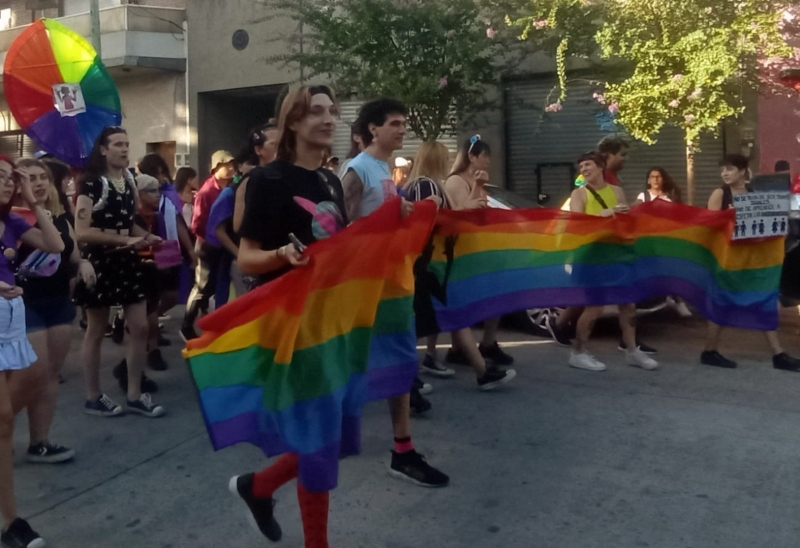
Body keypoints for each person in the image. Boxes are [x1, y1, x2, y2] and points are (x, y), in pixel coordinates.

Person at [231, 85, 348, 548]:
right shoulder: (269, 180)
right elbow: (246, 258)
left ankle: (257, 487)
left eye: (332, 111)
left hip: (331, 319)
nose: (328, 119)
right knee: (319, 438)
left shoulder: (330, 182)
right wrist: (282, 254)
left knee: (326, 434)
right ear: (294, 122)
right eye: (316, 111)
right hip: (289, 322)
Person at [342, 98, 449, 486]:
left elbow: (382, 220)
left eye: (404, 123)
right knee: (361, 361)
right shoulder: (356, 170)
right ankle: (378, 442)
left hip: (394, 284)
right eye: (395, 123)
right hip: (371, 288)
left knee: (399, 364)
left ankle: (401, 448)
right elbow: (347, 230)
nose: (403, 129)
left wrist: (414, 209)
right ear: (373, 129)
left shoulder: (383, 169)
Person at [405, 141, 517, 390]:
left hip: (433, 262)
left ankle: (475, 371)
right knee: (426, 321)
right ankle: (413, 375)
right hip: (430, 263)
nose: (448, 161)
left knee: (447, 317)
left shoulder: (427, 185)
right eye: (443, 157)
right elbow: (433, 222)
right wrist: (464, 208)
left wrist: (475, 190)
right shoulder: (427, 185)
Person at [7, 158, 94, 466]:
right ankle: (3, 429)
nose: (39, 183)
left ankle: (39, 443)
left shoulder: (58, 217)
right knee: (31, 374)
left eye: (42, 177)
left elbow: (70, 255)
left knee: (50, 376)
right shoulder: (11, 219)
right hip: (22, 303)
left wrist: (83, 264)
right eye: (30, 178)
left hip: (57, 303)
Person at [74, 126, 165, 418]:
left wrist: (145, 235)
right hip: (99, 261)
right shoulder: (90, 182)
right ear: (103, 149)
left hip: (126, 261)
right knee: (96, 329)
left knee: (140, 326)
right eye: (117, 144)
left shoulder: (128, 178)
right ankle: (92, 396)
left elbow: (128, 222)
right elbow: (82, 231)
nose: (124, 149)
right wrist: (125, 239)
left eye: (126, 143)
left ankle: (135, 394)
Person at [0, 154, 65, 548]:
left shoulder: (12, 222)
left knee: (4, 421)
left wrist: (35, 200)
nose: (9, 183)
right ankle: (11, 521)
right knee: (3, 418)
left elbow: (55, 244)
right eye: (2, 177)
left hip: (8, 320)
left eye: (12, 178)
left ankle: (10, 522)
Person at [702, 154, 800, 371]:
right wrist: (726, 219)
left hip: (751, 261)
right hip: (726, 261)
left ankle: (778, 354)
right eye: (723, 170)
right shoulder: (720, 194)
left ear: (743, 171)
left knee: (764, 300)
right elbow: (708, 227)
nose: (725, 174)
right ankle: (709, 351)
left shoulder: (753, 193)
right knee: (721, 304)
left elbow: (765, 225)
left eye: (730, 169)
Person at [563, 151, 658, 372]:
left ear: (600, 167)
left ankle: (632, 350)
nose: (584, 170)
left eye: (588, 165)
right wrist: (605, 214)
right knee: (594, 308)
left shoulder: (616, 191)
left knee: (628, 305)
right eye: (581, 167)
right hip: (592, 258)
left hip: (616, 254)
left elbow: (624, 223)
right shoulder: (579, 194)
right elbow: (577, 225)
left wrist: (627, 213)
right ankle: (577, 352)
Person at [442, 135, 516, 367]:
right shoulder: (455, 181)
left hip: (478, 247)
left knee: (497, 292)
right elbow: (461, 216)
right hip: (462, 250)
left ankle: (488, 342)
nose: (488, 162)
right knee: (464, 299)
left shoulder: (476, 179)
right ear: (472, 157)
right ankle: (459, 348)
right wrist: (478, 187)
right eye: (484, 156)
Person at [181, 150, 236, 341]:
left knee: (218, 286)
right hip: (207, 246)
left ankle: (212, 322)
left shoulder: (231, 187)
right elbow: (197, 224)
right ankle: (186, 325)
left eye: (231, 164)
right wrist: (213, 239)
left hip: (224, 246)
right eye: (225, 165)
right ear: (215, 168)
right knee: (201, 287)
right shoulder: (206, 192)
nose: (230, 168)